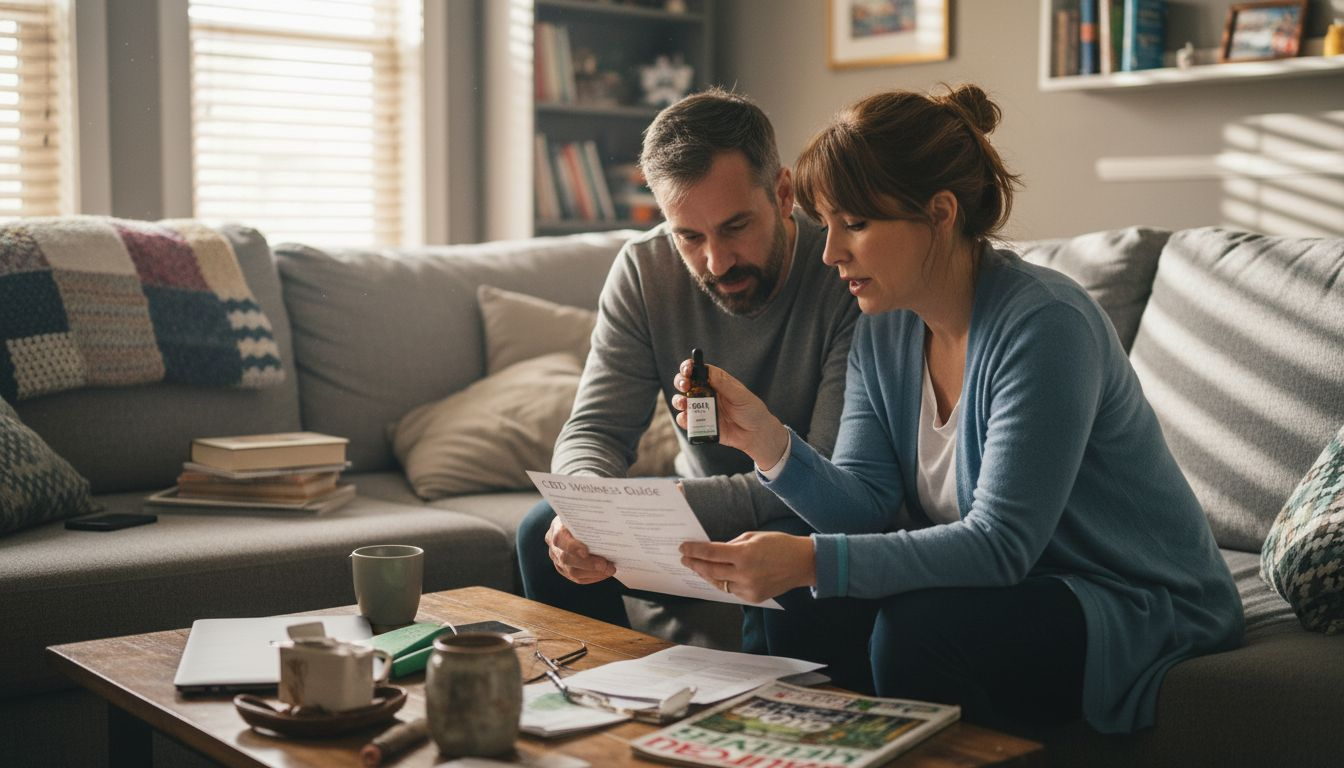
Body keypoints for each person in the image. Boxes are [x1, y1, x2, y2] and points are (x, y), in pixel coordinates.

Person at [671, 85, 1244, 737]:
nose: (830, 252)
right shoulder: (884, 331)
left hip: (1132, 599)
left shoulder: (1044, 325)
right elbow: (866, 507)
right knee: (795, 607)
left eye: (854, 224)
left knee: (919, 632)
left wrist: (809, 559)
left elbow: (1002, 546)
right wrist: (768, 441)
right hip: (1019, 586)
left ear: (939, 213)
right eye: (826, 223)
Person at [515, 88, 876, 690]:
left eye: (736, 227)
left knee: (794, 548)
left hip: (805, 512)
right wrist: (588, 508)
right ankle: (600, 713)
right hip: (693, 514)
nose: (715, 261)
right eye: (688, 236)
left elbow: (831, 475)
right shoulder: (643, 270)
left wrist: (663, 507)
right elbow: (596, 429)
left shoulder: (846, 272)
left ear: (783, 194)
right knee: (542, 532)